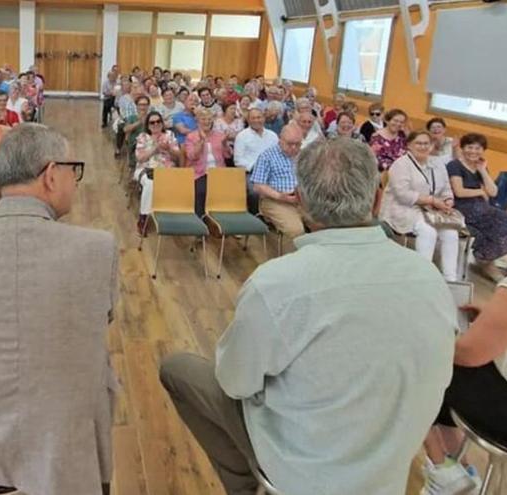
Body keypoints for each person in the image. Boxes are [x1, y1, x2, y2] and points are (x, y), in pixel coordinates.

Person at [160, 137, 456, 495]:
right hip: (388, 472)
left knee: (178, 370)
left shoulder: (276, 283)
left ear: (300, 202)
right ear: (378, 200)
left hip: (303, 472)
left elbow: (235, 382)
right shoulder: (431, 278)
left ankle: (246, 487)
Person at [0, 123, 116, 495]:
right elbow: (104, 317)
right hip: (67, 451)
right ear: (51, 175)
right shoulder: (98, 248)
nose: (75, 181)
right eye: (73, 170)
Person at [421, 164, 507, 494]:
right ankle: (452, 465)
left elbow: (468, 354)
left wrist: (438, 334)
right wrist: (499, 319)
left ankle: (443, 473)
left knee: (419, 360)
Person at [380, 131, 459, 282]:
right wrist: (432, 201)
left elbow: (446, 188)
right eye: (418, 143)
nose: (423, 147)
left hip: (433, 210)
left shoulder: (438, 164)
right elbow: (403, 195)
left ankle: (450, 279)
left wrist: (448, 199)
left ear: (431, 146)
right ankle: (422, 277)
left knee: (450, 231)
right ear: (409, 145)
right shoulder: (400, 164)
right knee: (428, 231)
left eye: (426, 143)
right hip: (404, 208)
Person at [447, 133, 507, 282]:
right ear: (463, 148)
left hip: (481, 207)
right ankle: (491, 259)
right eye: (469, 147)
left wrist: (483, 170)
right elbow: (459, 191)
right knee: (497, 220)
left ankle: (489, 258)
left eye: (477, 148)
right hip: (462, 207)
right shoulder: (455, 165)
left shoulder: (480, 167)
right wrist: (479, 191)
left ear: (483, 150)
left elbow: (493, 192)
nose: (473, 151)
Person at [250, 125, 305, 252]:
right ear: (280, 140)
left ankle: (317, 260)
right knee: (295, 230)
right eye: (290, 144)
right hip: (275, 200)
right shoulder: (267, 156)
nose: (294, 148)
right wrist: (280, 196)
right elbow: (258, 186)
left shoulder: (304, 156)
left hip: (302, 199)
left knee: (325, 224)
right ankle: (290, 264)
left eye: (298, 144)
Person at [134, 110, 180, 235]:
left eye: (158, 121)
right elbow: (140, 158)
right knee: (150, 184)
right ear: (148, 125)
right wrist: (155, 149)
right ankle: (143, 217)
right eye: (152, 122)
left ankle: (172, 216)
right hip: (146, 168)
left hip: (167, 169)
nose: (156, 124)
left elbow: (178, 157)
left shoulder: (169, 135)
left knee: (181, 181)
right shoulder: (143, 137)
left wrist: (169, 149)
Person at [185, 108, 230, 217]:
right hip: (200, 172)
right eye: (203, 119)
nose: (206, 121)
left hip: (219, 172)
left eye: (209, 119)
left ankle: (221, 220)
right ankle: (200, 220)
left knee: (228, 190)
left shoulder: (219, 135)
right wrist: (201, 141)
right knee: (201, 190)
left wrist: (224, 144)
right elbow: (192, 156)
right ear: (198, 121)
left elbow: (227, 155)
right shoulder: (191, 136)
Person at [233, 108, 278, 173]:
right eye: (253, 118)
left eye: (259, 117)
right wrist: (256, 167)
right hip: (251, 173)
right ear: (248, 120)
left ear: (264, 118)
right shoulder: (241, 136)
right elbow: (238, 160)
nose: (256, 120)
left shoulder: (273, 136)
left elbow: (277, 155)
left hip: (272, 172)